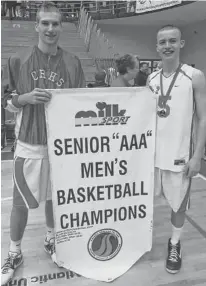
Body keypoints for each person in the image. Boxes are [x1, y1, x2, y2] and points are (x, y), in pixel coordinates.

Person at [1, 2, 85, 285]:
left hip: (60, 146)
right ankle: (14, 252)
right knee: (21, 203)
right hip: (29, 143)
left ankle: (51, 239)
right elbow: (6, 102)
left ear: (62, 27)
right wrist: (23, 99)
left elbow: (79, 105)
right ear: (36, 26)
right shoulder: (17, 59)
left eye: (55, 24)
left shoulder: (73, 63)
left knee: (55, 198)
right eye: (45, 23)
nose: (50, 29)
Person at [148, 25, 206, 274]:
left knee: (178, 205)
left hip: (180, 155)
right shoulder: (150, 78)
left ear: (181, 44)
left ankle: (175, 243)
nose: (167, 46)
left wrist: (197, 157)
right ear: (157, 47)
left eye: (173, 41)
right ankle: (140, 240)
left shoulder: (194, 76)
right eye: (163, 42)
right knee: (143, 202)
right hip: (151, 157)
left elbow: (203, 118)